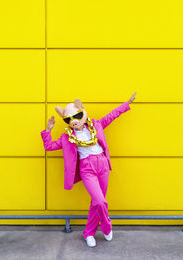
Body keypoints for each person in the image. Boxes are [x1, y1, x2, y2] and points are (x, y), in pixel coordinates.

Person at [40, 92, 136, 247]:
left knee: (96, 203)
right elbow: (49, 146)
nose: (73, 121)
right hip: (87, 168)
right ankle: (106, 226)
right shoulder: (67, 137)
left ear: (82, 114)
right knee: (100, 201)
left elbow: (111, 116)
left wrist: (127, 103)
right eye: (68, 119)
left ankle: (89, 232)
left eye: (76, 116)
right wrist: (48, 130)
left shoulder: (96, 125)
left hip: (103, 164)